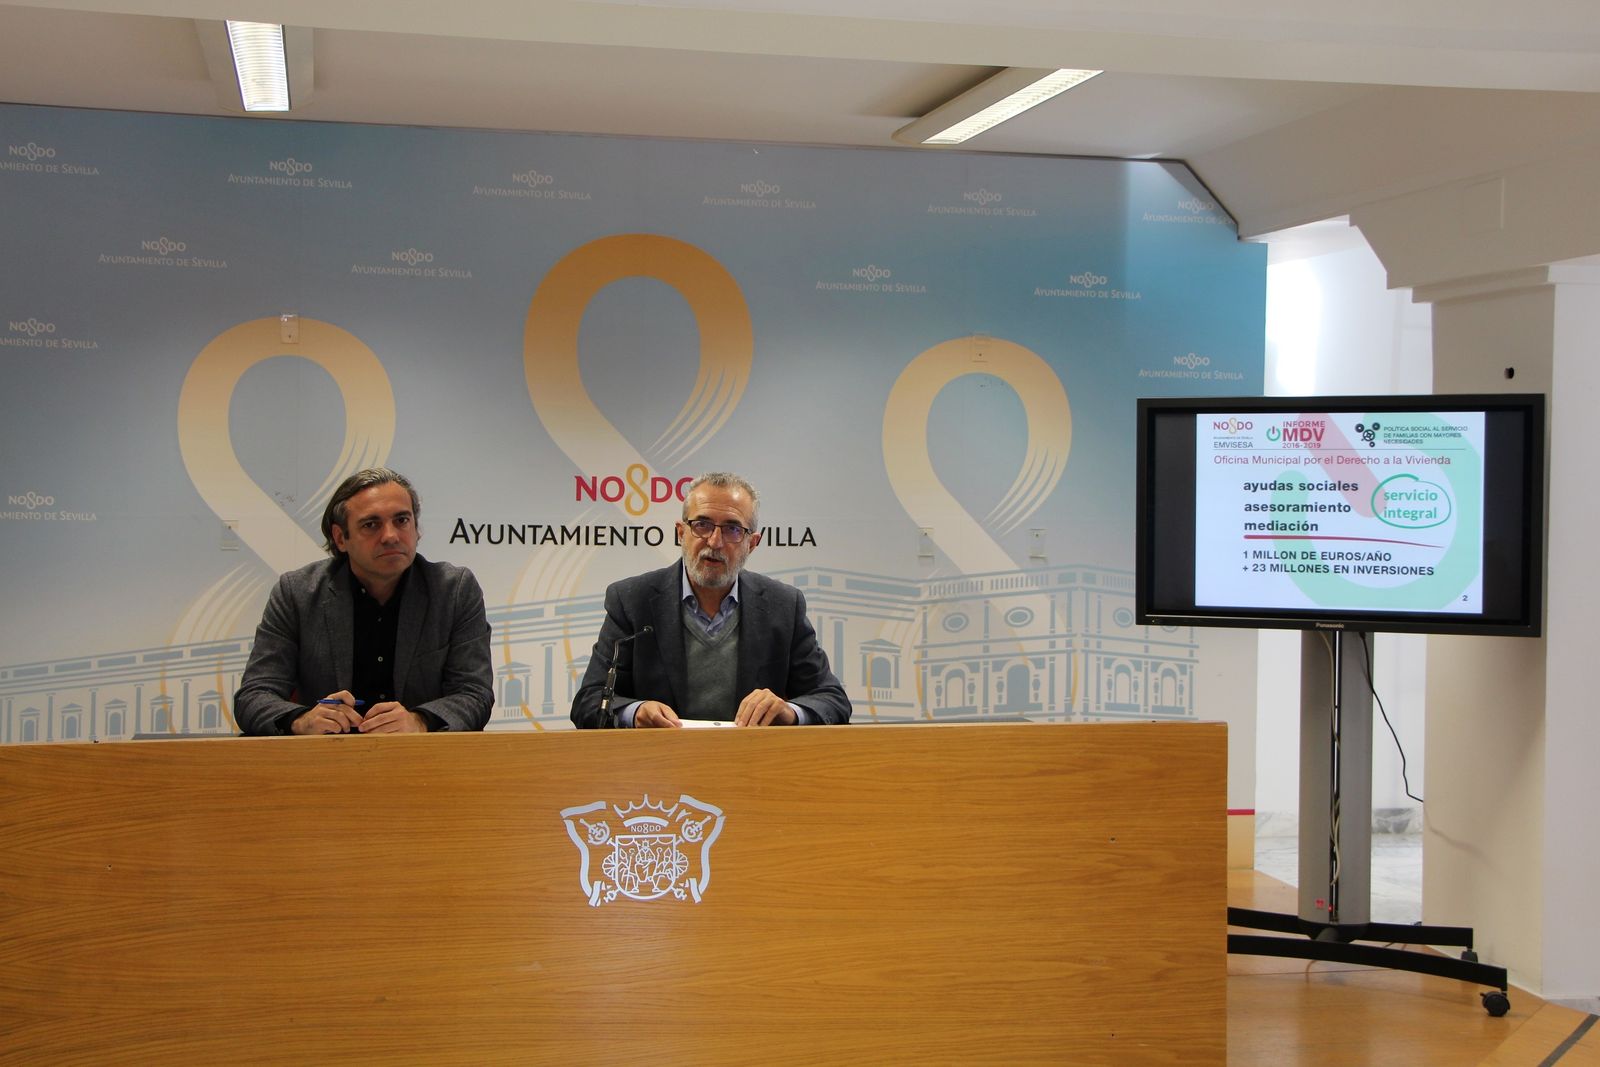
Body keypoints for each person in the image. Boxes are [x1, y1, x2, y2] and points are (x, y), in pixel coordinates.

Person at [571, 472, 851, 728]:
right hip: (658, 771)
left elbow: (831, 699)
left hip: (752, 769)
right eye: (702, 525)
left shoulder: (783, 606)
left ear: (752, 543)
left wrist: (789, 712)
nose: (714, 542)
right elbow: (589, 702)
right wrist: (635, 711)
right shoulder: (632, 601)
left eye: (732, 529)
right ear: (681, 532)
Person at [234, 468, 494, 736]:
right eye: (371, 524)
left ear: (417, 529)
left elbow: (474, 694)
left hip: (422, 762)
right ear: (340, 538)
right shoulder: (297, 593)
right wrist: (302, 721)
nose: (391, 535)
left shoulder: (454, 590)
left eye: (402, 520)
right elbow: (254, 695)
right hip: (326, 761)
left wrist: (420, 721)